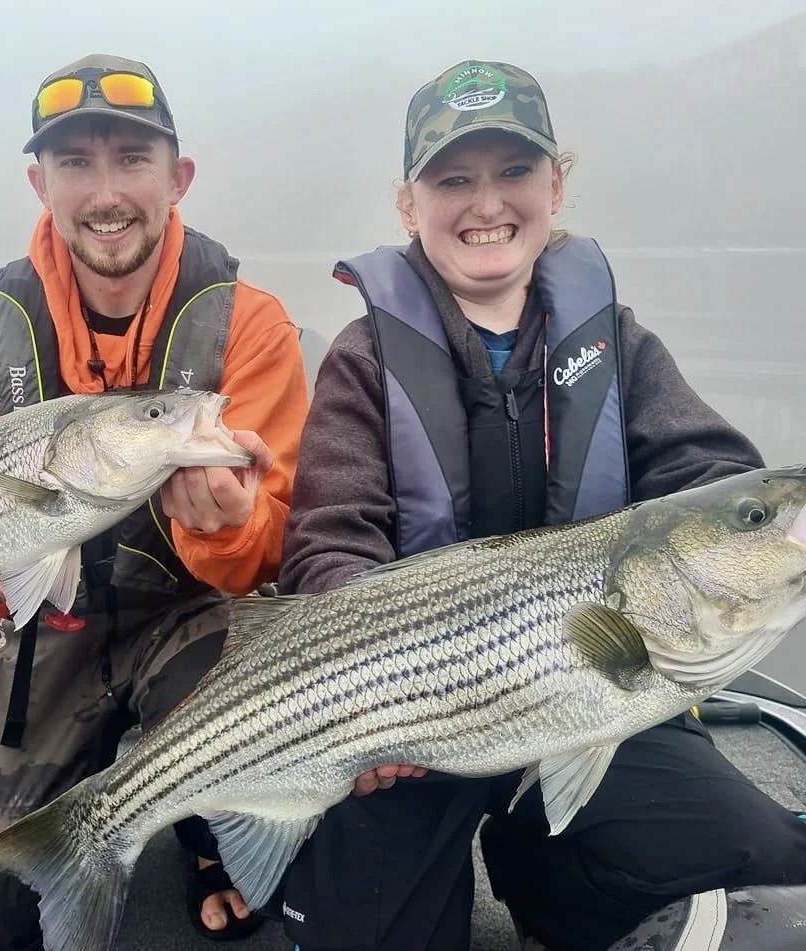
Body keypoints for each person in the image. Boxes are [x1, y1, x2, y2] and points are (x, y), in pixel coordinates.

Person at [275, 60, 806, 950]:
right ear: (409, 204)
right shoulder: (367, 356)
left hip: (606, 693)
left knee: (758, 860)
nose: (487, 203)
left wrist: (753, 539)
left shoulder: (620, 343)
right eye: (454, 179)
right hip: (421, 714)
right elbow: (330, 541)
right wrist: (370, 700)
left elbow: (710, 472)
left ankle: (541, 871)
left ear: (557, 183)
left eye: (515, 172)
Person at [0, 53, 309, 949]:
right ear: (40, 183)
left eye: (131, 158)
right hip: (51, 636)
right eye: (76, 163)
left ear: (177, 176)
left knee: (289, 865)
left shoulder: (252, 327)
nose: (106, 190)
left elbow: (282, 552)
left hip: (198, 623)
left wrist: (229, 531)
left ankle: (208, 830)